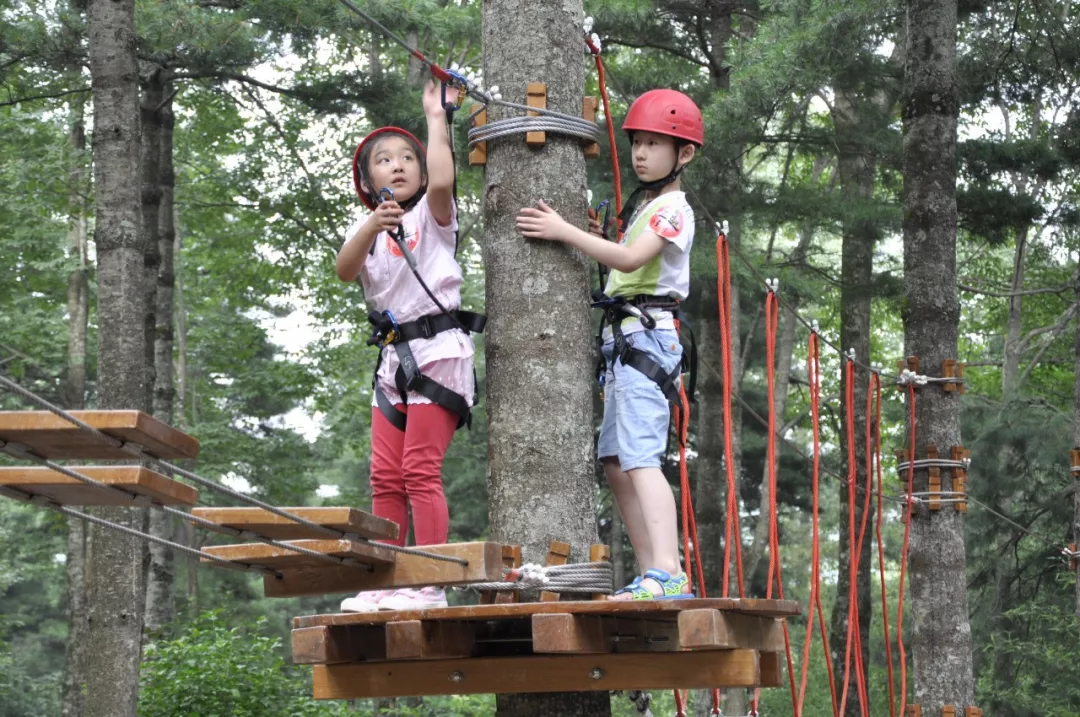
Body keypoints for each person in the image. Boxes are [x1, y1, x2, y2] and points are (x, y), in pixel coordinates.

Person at [516, 89, 703, 600]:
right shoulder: (648, 207)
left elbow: (628, 261)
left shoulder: (673, 210)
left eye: (653, 145)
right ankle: (652, 571)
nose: (640, 154)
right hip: (624, 343)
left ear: (683, 154)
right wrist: (600, 236)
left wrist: (565, 231)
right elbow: (626, 259)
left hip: (647, 339)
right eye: (637, 143)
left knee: (642, 457)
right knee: (618, 463)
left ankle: (668, 570)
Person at [335, 81, 483, 612]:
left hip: (439, 354)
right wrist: (373, 222)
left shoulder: (432, 218)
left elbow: (443, 180)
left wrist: (435, 117)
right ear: (367, 179)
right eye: (383, 160)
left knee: (420, 469)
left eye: (405, 159)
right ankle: (388, 581)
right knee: (384, 475)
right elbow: (344, 268)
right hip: (394, 364)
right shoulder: (370, 231)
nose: (396, 165)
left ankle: (430, 581)